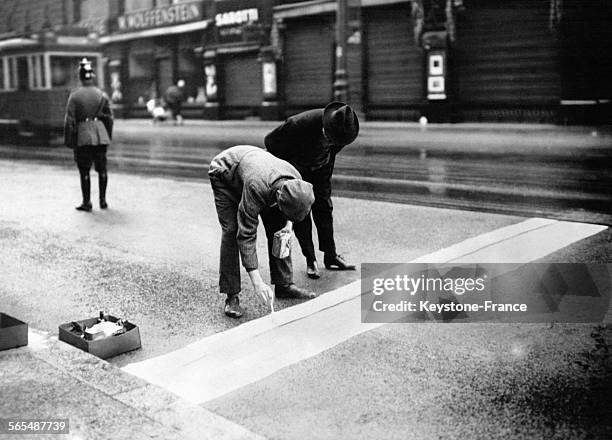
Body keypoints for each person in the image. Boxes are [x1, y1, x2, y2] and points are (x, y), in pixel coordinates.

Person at [208, 145, 316, 318]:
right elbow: (246, 235)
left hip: (254, 166)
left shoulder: (297, 181)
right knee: (232, 230)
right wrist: (258, 282)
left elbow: (293, 210)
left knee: (279, 227)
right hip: (226, 171)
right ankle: (231, 296)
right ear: (279, 197)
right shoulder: (256, 187)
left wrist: (288, 227)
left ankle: (284, 285)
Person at [264, 101, 359, 279]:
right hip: (297, 169)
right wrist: (289, 170)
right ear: (324, 126)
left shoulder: (345, 130)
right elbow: (270, 142)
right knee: (303, 211)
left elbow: (333, 150)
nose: (331, 143)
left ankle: (330, 255)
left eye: (334, 141)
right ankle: (310, 259)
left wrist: (323, 162)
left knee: (324, 208)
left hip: (322, 167)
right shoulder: (298, 124)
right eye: (328, 138)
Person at [64, 58, 113, 212]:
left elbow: (70, 120)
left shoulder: (75, 96)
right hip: (100, 133)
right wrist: (107, 135)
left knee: (84, 170)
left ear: (80, 76)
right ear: (92, 76)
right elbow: (110, 117)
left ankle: (87, 202)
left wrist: (70, 140)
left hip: (84, 135)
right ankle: (103, 201)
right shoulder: (102, 94)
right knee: (102, 169)